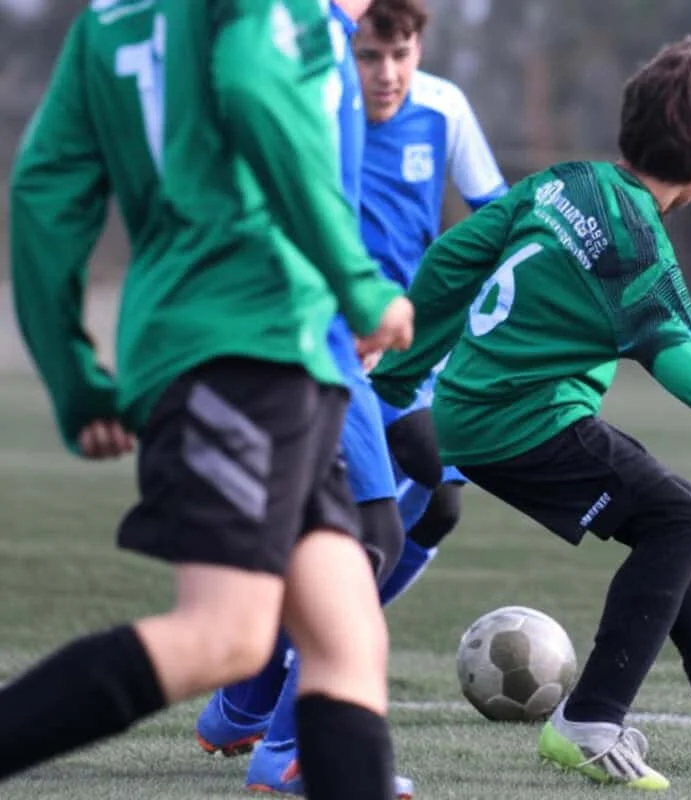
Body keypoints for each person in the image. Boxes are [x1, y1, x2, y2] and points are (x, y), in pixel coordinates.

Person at [371, 36, 691, 790]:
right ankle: (589, 720)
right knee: (678, 519)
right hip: (517, 421)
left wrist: (398, 379)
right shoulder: (637, 250)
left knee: (668, 518)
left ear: (630, 124)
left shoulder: (564, 182)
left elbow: (452, 258)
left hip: (479, 406)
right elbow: (687, 367)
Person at [3, 3, 412, 799]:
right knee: (221, 636)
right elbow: (253, 84)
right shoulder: (277, 9)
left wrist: (74, 376)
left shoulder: (109, 19)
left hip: (217, 348)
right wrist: (357, 283)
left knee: (346, 640)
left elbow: (43, 191)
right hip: (252, 345)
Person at [190, 3, 412, 796]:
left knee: (347, 544)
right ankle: (282, 742)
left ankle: (256, 714)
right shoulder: (300, 39)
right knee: (367, 543)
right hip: (292, 337)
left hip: (319, 336)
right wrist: (353, 290)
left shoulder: (327, 35)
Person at [354, 0, 508, 607]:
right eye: (369, 56)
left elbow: (498, 219)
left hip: (412, 345)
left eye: (401, 55)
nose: (387, 73)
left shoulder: (443, 108)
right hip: (335, 342)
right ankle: (306, 658)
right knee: (366, 515)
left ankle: (340, 636)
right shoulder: (315, 109)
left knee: (439, 504)